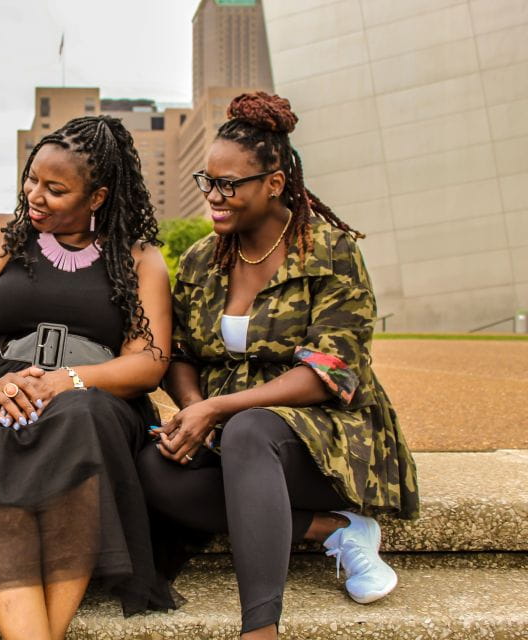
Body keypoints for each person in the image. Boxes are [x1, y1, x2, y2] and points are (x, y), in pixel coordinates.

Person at [137, 93, 419, 639]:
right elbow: (181, 354)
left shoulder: (330, 251)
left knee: (249, 430)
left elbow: (330, 371)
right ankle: (333, 529)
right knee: (154, 469)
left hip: (330, 437)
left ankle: (259, 629)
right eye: (207, 181)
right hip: (230, 430)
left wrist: (220, 409)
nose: (214, 198)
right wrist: (195, 411)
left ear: (274, 182)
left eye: (229, 185)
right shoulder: (201, 259)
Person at [0, 115, 178, 640]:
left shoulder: (140, 258)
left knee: (79, 423)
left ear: (98, 196)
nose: (34, 195)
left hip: (93, 392)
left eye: (55, 189)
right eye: (31, 179)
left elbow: (149, 360)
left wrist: (72, 379)